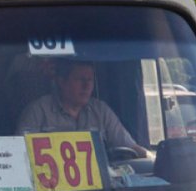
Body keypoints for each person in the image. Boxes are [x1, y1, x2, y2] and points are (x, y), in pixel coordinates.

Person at [17, 60, 145, 153]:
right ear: (61, 81)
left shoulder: (101, 111)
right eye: (80, 79)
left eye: (90, 80)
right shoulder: (38, 111)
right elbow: (19, 154)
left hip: (101, 188)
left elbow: (130, 147)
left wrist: (152, 158)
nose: (86, 86)